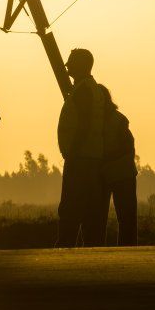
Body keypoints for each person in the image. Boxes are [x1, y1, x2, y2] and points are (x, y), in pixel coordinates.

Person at [55, 49, 110, 247]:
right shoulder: (88, 88)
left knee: (70, 207)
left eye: (71, 61)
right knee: (88, 208)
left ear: (81, 65)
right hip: (89, 157)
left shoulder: (84, 91)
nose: (67, 65)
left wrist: (73, 151)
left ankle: (65, 247)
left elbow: (84, 124)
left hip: (81, 159)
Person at [97, 91, 138, 246]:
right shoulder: (108, 119)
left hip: (121, 174)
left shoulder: (117, 120)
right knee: (101, 217)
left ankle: (128, 250)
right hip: (110, 173)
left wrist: (107, 159)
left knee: (125, 217)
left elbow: (128, 147)